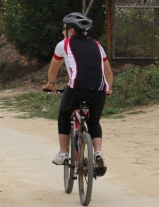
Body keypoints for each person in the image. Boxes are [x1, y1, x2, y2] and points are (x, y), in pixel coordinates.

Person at [42, 12, 113, 176]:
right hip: (98, 91)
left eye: (64, 28)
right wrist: (109, 88)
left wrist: (51, 84)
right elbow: (108, 71)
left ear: (72, 31)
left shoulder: (64, 44)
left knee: (64, 113)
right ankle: (98, 153)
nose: (62, 32)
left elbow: (53, 69)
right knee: (94, 122)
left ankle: (63, 153)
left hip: (77, 89)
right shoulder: (98, 45)